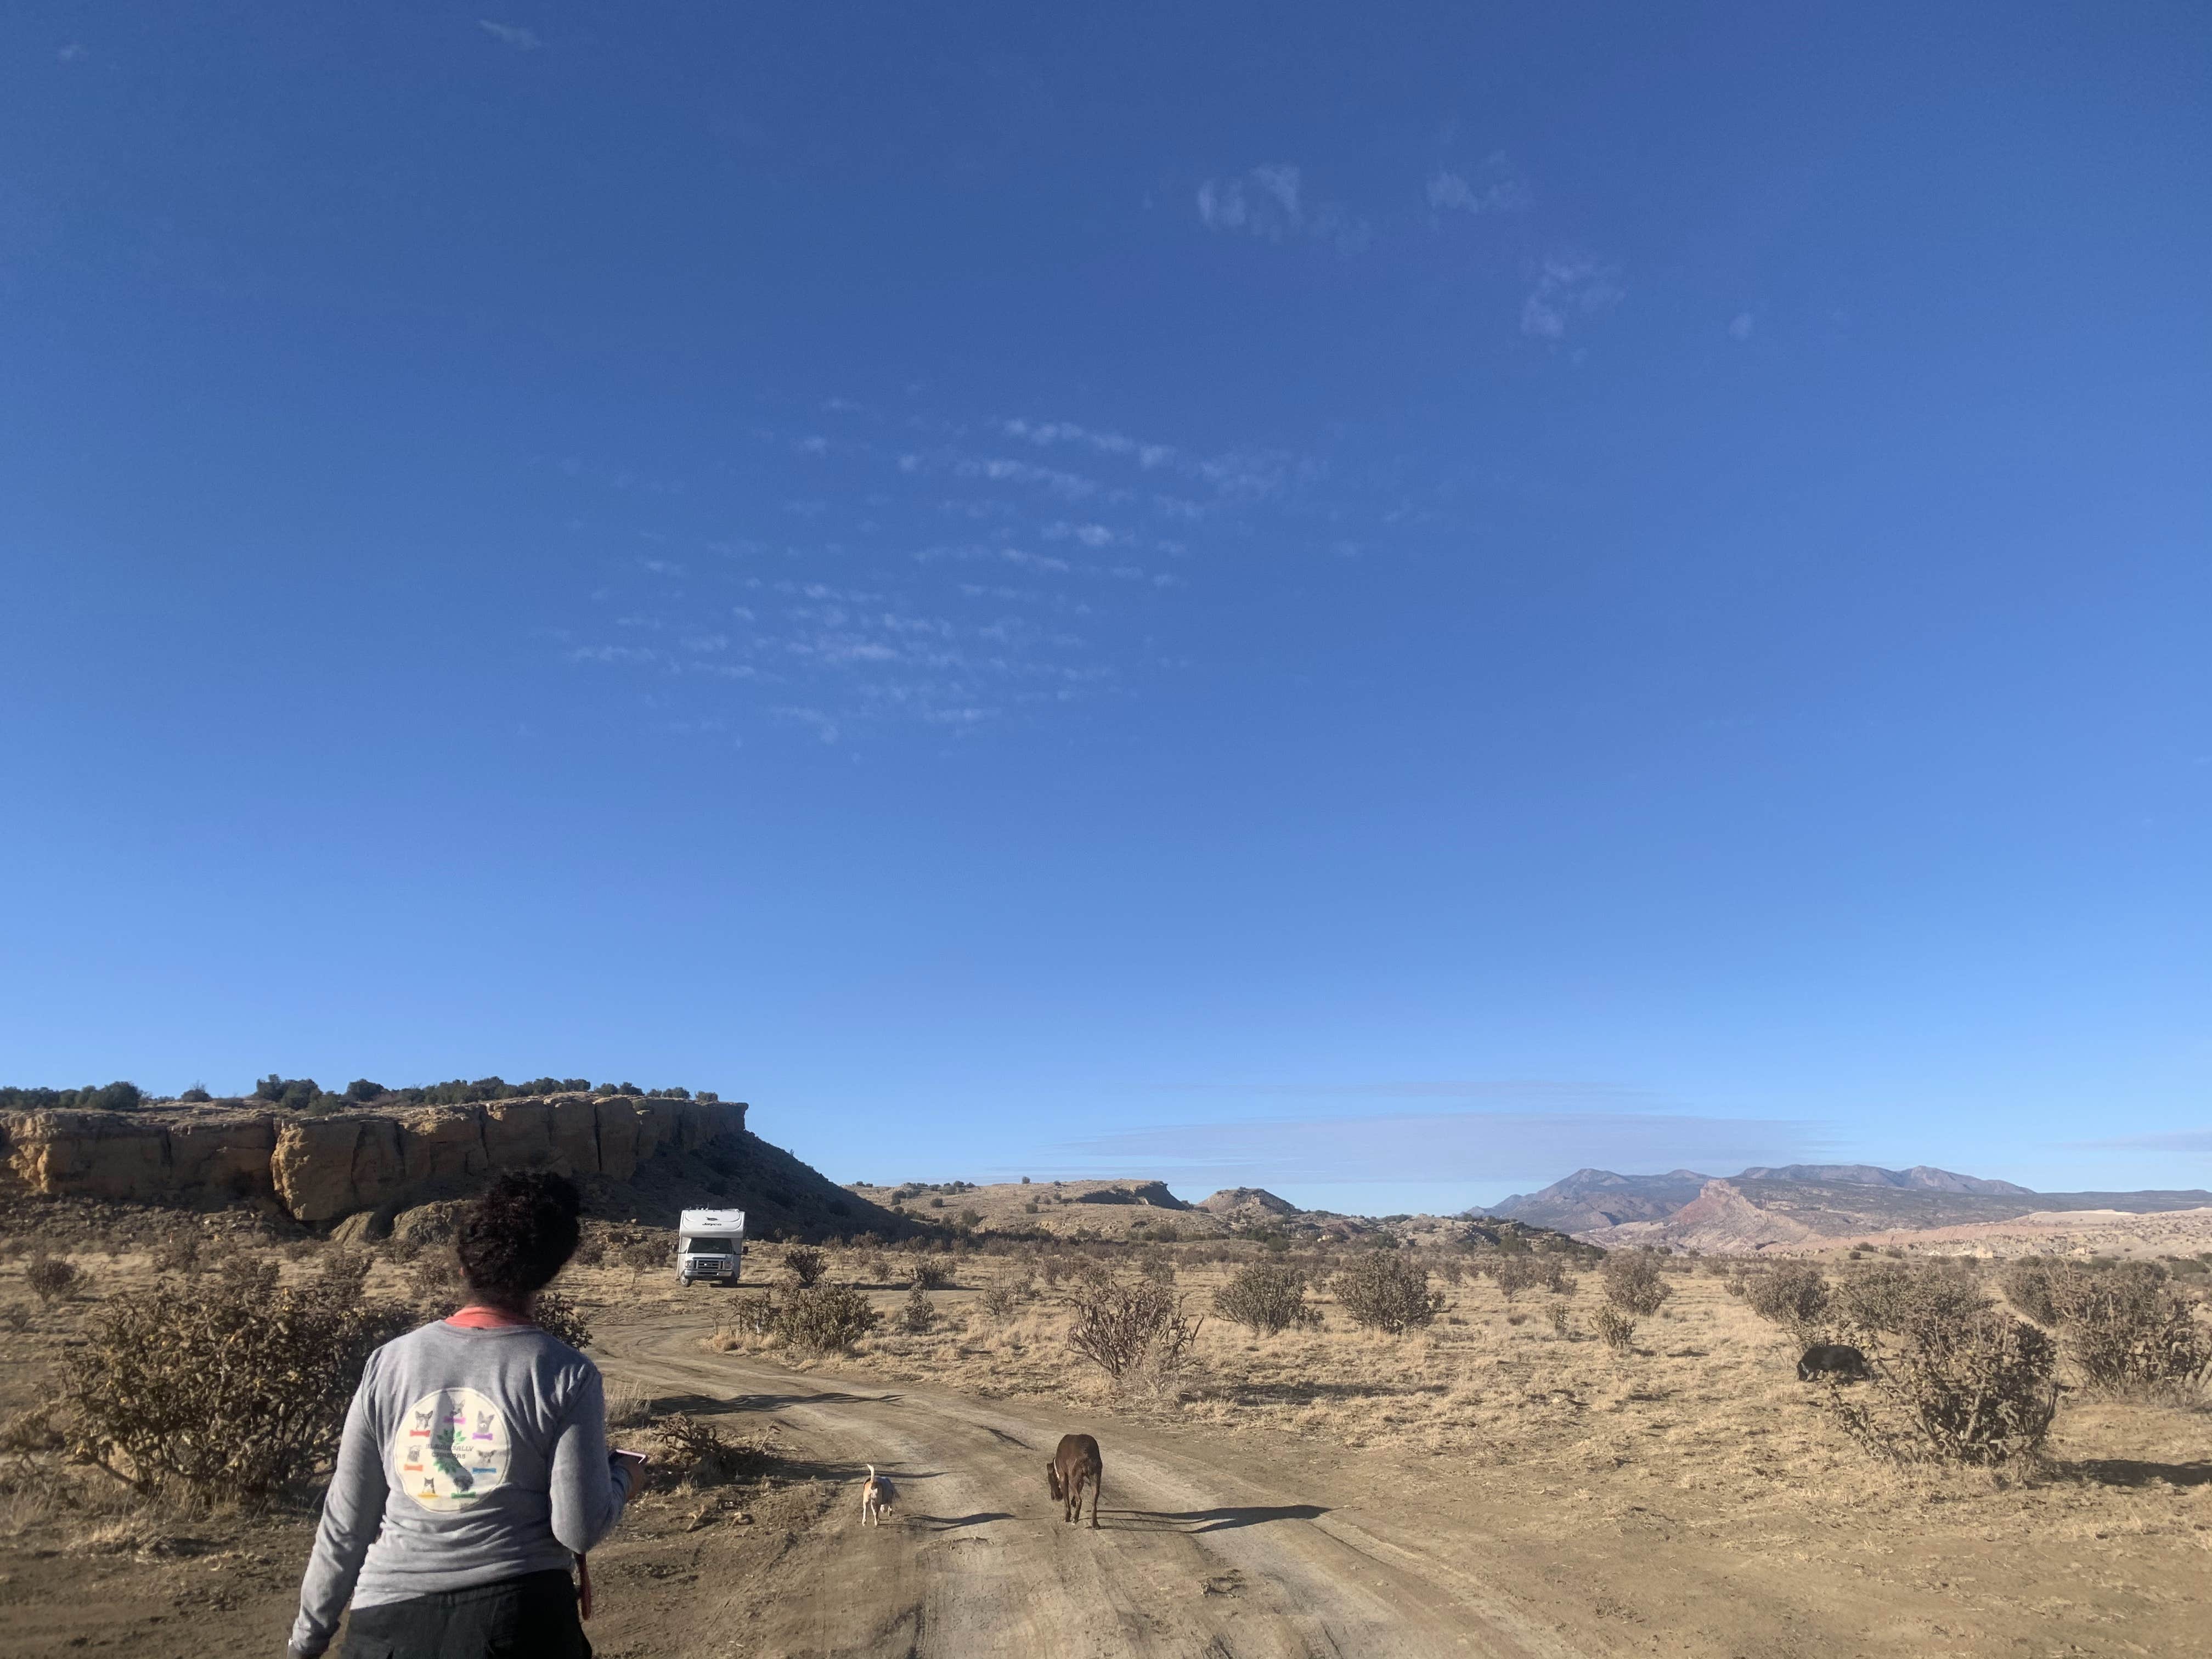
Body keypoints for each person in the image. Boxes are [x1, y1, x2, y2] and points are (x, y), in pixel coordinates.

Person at [289, 1172, 637, 1659]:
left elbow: (346, 1522)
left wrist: (307, 1641)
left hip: (386, 1624)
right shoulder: (566, 1373)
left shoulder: (388, 1362)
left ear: (462, 1267)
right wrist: (623, 1479)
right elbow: (576, 1530)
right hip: (521, 1621)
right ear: (551, 1273)